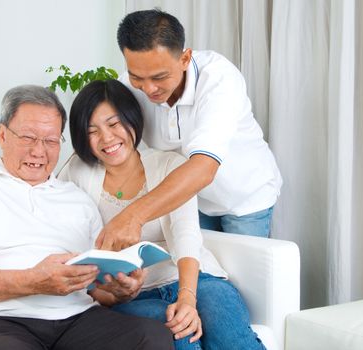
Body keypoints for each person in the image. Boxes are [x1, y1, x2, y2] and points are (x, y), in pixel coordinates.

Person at [0, 85, 174, 350]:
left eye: (50, 141)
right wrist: (34, 280)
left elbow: (94, 289)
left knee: (151, 337)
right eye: (28, 138)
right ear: (2, 135)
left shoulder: (78, 199)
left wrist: (118, 291)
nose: (39, 151)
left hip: (76, 320)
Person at [58, 79, 265, 350]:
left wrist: (187, 298)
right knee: (180, 335)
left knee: (230, 336)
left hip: (196, 279)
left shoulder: (169, 165)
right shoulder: (77, 172)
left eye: (113, 123)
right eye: (92, 130)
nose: (106, 138)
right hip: (134, 295)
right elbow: (59, 225)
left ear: (132, 118)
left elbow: (186, 234)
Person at [96, 9, 283, 250]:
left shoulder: (218, 79)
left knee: (244, 280)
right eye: (137, 77)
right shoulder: (127, 85)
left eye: (159, 76)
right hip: (191, 199)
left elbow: (204, 168)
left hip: (244, 199)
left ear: (184, 59)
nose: (148, 88)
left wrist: (133, 216)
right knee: (207, 276)